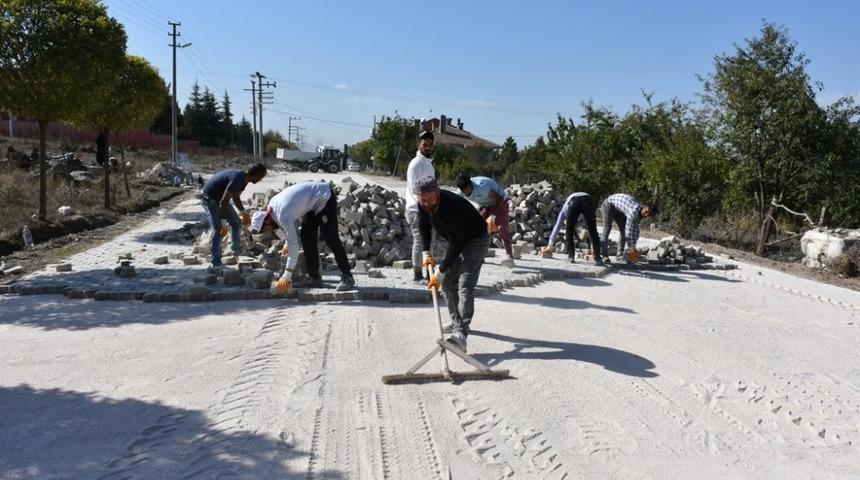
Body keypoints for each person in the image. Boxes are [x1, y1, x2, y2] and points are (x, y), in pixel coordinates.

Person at [416, 175, 490, 352]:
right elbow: (423, 226)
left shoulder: (452, 206)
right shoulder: (423, 203)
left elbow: (457, 243)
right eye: (422, 199)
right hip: (457, 239)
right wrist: (426, 252)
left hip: (476, 240)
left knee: (465, 285)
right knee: (447, 284)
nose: (426, 203)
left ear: (437, 192)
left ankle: (461, 336)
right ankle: (457, 322)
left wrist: (440, 270)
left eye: (430, 198)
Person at [250, 181, 355, 292]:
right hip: (312, 203)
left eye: (266, 229)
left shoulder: (281, 214)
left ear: (266, 221)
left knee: (330, 238)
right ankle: (314, 278)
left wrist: (287, 275)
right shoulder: (274, 208)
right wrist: (286, 244)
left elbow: (294, 246)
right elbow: (291, 224)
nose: (269, 232)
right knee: (306, 237)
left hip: (324, 197)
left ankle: (347, 277)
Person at [201, 164, 267, 267]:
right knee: (218, 229)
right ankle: (216, 262)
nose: (260, 180)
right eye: (261, 177)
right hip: (210, 198)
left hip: (219, 198)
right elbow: (224, 202)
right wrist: (223, 223)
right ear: (256, 176)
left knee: (236, 223)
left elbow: (236, 197)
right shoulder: (237, 180)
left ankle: (236, 251)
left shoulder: (244, 180)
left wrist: (244, 213)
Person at [455, 173, 515, 267]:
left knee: (501, 227)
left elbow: (499, 199)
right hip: (485, 204)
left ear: (471, 184)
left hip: (500, 201)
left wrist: (493, 216)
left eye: (468, 189)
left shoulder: (482, 186)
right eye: (464, 191)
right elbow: (457, 205)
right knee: (480, 229)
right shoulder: (460, 191)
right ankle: (480, 256)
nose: (467, 193)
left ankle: (509, 255)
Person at [405, 130, 436, 284]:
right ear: (419, 145)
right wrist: (424, 207)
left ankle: (429, 273)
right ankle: (417, 275)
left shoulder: (429, 164)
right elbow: (414, 189)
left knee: (430, 242)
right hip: (416, 209)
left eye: (431, 145)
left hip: (428, 208)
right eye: (425, 144)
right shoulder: (415, 164)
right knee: (419, 241)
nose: (428, 147)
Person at [542, 192, 603, 264]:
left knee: (569, 230)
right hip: (588, 200)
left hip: (574, 201)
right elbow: (592, 230)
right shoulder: (582, 216)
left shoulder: (564, 210)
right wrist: (595, 249)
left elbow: (557, 226)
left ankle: (571, 257)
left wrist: (550, 244)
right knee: (593, 230)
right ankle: (598, 258)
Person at [600, 193, 652, 262]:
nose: (645, 215)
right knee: (607, 228)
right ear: (644, 207)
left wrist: (634, 246)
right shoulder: (633, 211)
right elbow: (629, 230)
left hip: (619, 210)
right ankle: (604, 256)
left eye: (648, 214)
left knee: (623, 231)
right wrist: (631, 248)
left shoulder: (639, 214)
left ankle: (619, 256)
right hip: (608, 204)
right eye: (646, 212)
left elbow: (635, 231)